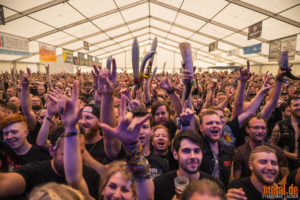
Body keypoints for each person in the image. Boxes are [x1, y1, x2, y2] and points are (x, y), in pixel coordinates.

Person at [0, 81, 100, 199]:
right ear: (52, 151)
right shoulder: (35, 171)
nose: (75, 159)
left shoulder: (92, 176)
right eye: (67, 153)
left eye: (81, 152)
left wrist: (72, 127)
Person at [154, 130, 225, 200]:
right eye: (186, 151)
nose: (192, 156)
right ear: (175, 154)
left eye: (197, 151)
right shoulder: (160, 184)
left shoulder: (215, 185)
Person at [227, 146, 300, 200]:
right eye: (263, 162)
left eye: (274, 163)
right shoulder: (239, 187)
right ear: (251, 165)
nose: (270, 167)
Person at [233, 114, 289, 180]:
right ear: (247, 129)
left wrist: (276, 189)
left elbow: (286, 177)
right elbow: (236, 180)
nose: (260, 131)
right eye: (256, 128)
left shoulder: (277, 150)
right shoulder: (239, 152)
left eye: (263, 128)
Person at [199, 110, 234, 187]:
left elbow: (230, 179)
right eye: (209, 123)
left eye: (218, 123)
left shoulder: (229, 150)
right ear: (201, 128)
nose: (215, 125)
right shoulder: (195, 149)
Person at [271, 96, 300, 171]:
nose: (299, 107)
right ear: (289, 107)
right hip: (286, 166)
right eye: (296, 105)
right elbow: (272, 146)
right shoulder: (280, 125)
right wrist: (290, 155)